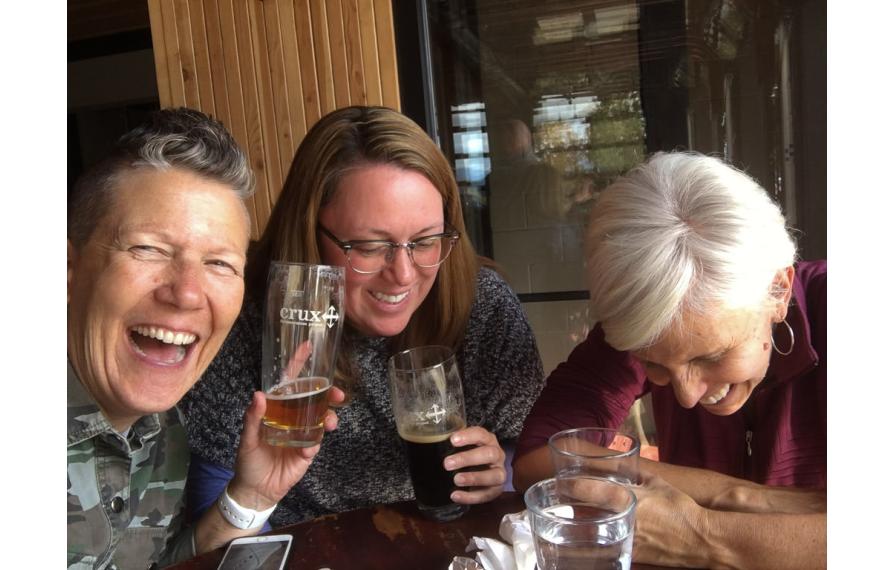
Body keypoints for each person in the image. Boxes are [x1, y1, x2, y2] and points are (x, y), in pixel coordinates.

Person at [180, 105, 546, 526]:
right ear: (310, 231)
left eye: (425, 241)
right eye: (370, 247)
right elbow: (211, 516)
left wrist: (502, 474)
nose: (403, 275)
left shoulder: (482, 305)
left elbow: (532, 462)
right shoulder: (245, 318)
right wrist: (252, 499)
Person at [512, 151, 826, 569]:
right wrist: (739, 496)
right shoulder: (649, 326)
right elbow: (536, 462)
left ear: (779, 292)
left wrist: (700, 535)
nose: (687, 396)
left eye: (712, 355)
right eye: (653, 364)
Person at [67, 108, 339, 569]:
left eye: (219, 264)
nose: (187, 293)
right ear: (68, 272)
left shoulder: (164, 432)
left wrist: (250, 496)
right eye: (148, 249)